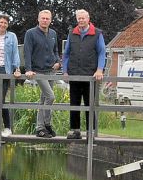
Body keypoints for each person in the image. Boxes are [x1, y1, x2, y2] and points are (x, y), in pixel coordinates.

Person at [62, 9, 106, 139]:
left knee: (89, 104)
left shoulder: (97, 34)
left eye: (83, 18)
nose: (81, 20)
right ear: (77, 19)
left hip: (90, 75)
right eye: (79, 18)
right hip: (74, 74)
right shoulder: (72, 33)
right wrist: (65, 71)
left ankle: (90, 131)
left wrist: (99, 70)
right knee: (74, 103)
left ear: (88, 18)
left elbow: (102, 52)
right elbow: (66, 54)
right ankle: (75, 130)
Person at [23, 9, 61, 138]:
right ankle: (44, 125)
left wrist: (58, 61)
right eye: (43, 18)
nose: (45, 20)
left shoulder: (53, 33)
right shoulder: (31, 33)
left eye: (47, 18)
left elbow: (55, 50)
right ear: (38, 19)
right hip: (38, 71)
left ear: (50, 20)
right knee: (51, 97)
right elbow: (27, 52)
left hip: (51, 71)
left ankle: (42, 128)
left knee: (44, 99)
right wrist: (28, 69)